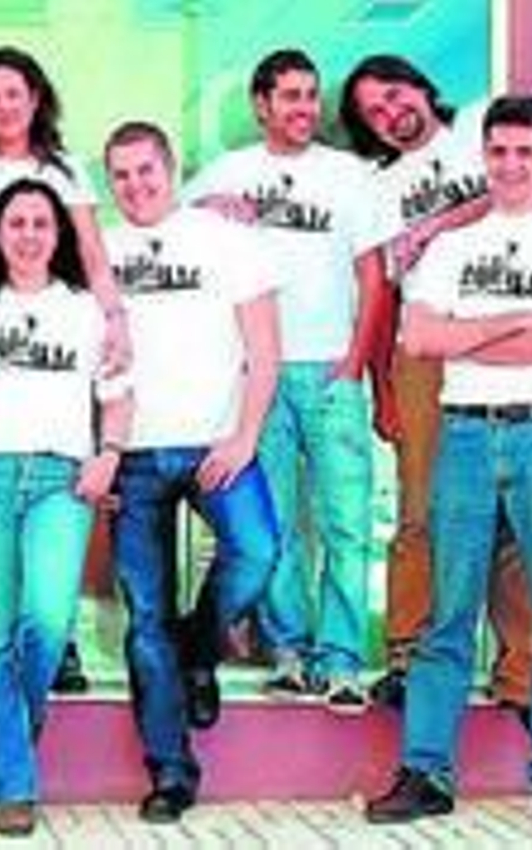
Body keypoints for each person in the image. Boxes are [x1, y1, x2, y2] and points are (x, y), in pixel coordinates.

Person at [365, 94, 532, 839]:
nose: (510, 165)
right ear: (483, 156)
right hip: (467, 438)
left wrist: (469, 332)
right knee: (447, 614)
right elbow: (420, 338)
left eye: (525, 152)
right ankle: (426, 773)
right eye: (499, 151)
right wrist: (517, 319)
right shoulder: (451, 249)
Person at [185, 47, 397, 712]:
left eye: (310, 95)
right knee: (274, 525)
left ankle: (342, 660)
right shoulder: (229, 171)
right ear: (261, 105)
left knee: (346, 523)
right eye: (290, 96)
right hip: (261, 376)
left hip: (331, 368)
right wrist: (210, 205)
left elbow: (374, 277)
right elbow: (171, 232)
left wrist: (356, 360)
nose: (304, 108)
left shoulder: (349, 176)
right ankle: (290, 653)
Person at [0, 178, 128, 836]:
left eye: (42, 222)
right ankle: (13, 784)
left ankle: (14, 726)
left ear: (59, 233)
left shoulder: (86, 310)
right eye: (16, 223)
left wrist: (110, 453)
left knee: (46, 618)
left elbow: (117, 393)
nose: (29, 234)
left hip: (59, 479)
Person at [339, 54, 532, 713]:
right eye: (374, 112)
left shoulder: (480, 134)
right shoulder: (376, 187)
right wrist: (383, 387)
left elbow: (509, 193)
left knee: (509, 512)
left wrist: (433, 224)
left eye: (395, 95)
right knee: (419, 508)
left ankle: (520, 675)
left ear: (422, 88)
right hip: (421, 352)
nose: (391, 114)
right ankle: (406, 656)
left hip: (499, 339)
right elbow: (384, 294)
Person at [103, 121, 281, 822]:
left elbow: (264, 349)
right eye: (120, 175)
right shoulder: (99, 253)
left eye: (145, 170)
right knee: (144, 620)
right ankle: (171, 772)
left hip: (216, 444)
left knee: (257, 551)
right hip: (134, 458)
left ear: (171, 168)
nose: (135, 185)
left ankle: (198, 647)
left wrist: (245, 437)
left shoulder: (224, 240)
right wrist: (101, 453)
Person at [0, 45, 126, 693]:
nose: (4, 106)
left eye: (13, 93)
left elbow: (92, 256)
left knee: (59, 496)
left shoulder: (63, 169)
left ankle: (57, 644)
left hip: (56, 345)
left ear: (35, 98)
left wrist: (115, 320)